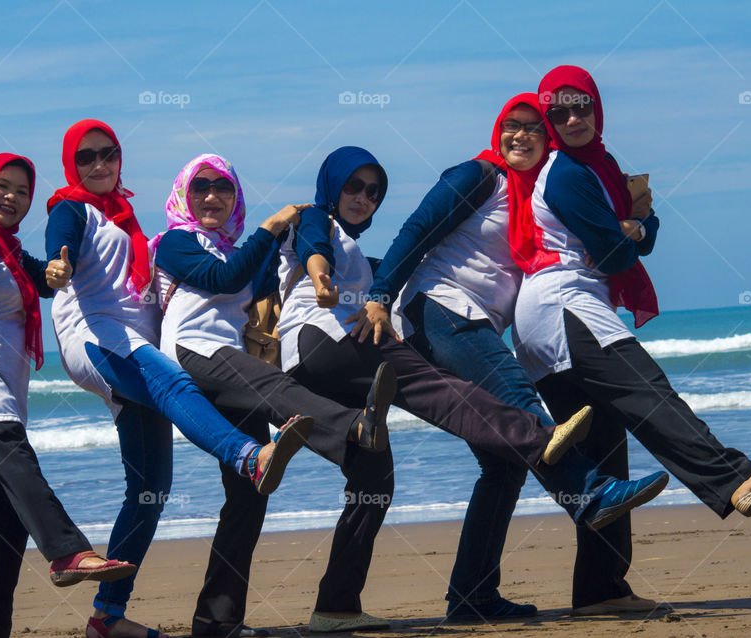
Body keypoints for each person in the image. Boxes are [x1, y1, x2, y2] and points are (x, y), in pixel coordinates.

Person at [278, 145, 671, 631]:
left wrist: (643, 224)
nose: (363, 197)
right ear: (331, 187)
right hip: (340, 338)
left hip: (346, 346)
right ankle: (586, 491)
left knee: (385, 477)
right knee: (458, 398)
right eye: (353, 187)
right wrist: (314, 272)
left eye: (374, 190)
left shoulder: (355, 249)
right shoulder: (316, 218)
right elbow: (327, 246)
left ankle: (351, 606)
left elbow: (615, 235)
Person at [510, 64, 751, 615]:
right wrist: (637, 227)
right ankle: (735, 479)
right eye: (560, 111)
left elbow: (636, 235)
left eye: (583, 107)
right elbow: (616, 251)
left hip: (552, 316)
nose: (573, 118)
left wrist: (637, 228)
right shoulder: (570, 175)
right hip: (564, 307)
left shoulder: (597, 166)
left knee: (605, 451)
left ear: (599, 109)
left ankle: (601, 590)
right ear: (550, 118)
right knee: (650, 394)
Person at [348, 92, 622, 621]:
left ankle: (472, 597)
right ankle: (589, 492)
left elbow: (616, 221)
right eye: (511, 126)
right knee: (520, 404)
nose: (518, 137)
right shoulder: (478, 176)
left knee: (503, 464)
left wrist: (633, 225)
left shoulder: (539, 199)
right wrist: (380, 295)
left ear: (548, 142)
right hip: (442, 309)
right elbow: (415, 231)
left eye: (533, 130)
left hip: (470, 322)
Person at [44, 121, 312, 638]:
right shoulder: (70, 209)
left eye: (108, 154)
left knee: (149, 491)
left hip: (127, 344)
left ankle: (107, 617)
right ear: (71, 165)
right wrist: (57, 264)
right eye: (86, 157)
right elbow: (63, 242)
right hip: (97, 336)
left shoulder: (123, 219)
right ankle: (247, 457)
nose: (99, 165)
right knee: (175, 385)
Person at [151, 153, 396, 637]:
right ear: (183, 193)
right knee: (274, 388)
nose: (212, 197)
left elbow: (270, 274)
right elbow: (225, 280)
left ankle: (215, 620)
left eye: (223, 188)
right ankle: (352, 428)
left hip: (223, 359)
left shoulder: (233, 250)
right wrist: (272, 224)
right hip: (193, 350)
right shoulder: (175, 243)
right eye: (201, 187)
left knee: (247, 496)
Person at [0, 153, 137, 638]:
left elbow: (39, 275)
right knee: (13, 454)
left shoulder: (7, 251)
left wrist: (57, 274)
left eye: (21, 190)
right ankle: (67, 551)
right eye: (2, 185)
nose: (12, 197)